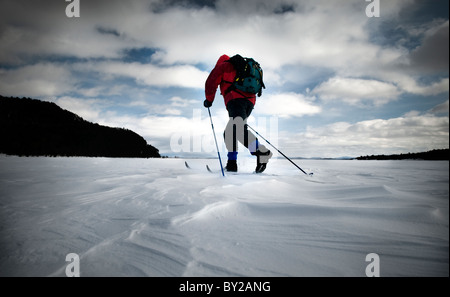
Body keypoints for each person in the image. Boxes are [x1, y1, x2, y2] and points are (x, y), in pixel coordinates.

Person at [203, 54, 272, 173]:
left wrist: (209, 100)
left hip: (236, 100)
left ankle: (262, 152)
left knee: (238, 130)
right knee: (230, 132)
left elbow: (211, 81)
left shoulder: (224, 66)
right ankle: (231, 164)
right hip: (249, 103)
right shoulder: (241, 67)